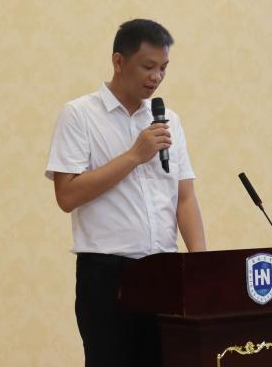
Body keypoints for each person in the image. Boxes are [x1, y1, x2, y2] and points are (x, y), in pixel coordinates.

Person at [45, 18, 206, 367]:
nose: (156, 77)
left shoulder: (169, 120)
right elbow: (66, 196)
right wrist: (134, 156)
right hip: (107, 275)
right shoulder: (79, 115)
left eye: (163, 68)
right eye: (148, 66)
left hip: (164, 270)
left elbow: (185, 198)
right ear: (118, 61)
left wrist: (202, 265)